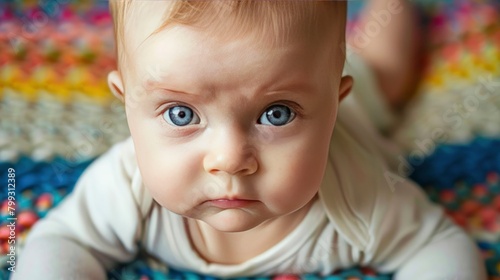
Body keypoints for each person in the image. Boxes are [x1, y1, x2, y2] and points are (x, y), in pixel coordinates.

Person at [14, 1, 486, 279]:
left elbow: (442, 247)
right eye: (181, 114)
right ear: (127, 104)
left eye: (276, 114)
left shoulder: (361, 199)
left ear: (333, 102)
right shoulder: (125, 186)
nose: (229, 160)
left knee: (385, 69)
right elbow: (61, 241)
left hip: (361, 99)